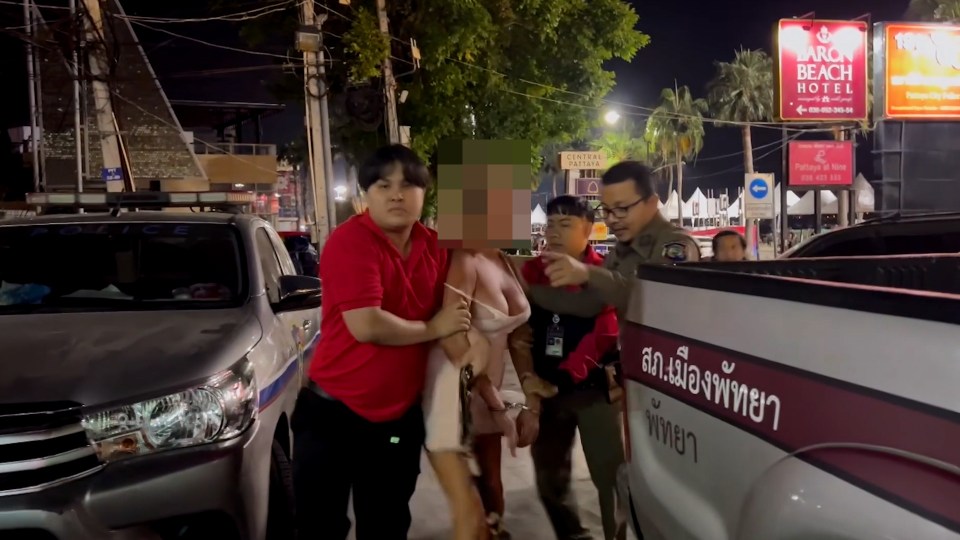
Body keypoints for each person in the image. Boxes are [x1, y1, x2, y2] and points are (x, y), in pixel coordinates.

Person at [292, 144, 471, 540]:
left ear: (425, 194)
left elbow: (471, 300)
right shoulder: (350, 241)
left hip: (395, 422)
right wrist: (434, 328)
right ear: (364, 196)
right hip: (332, 416)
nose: (396, 194)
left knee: (387, 526)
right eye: (382, 185)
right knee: (320, 528)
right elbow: (367, 325)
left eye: (408, 185)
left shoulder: (438, 247)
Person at [423, 247, 558, 539]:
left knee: (493, 490)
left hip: (488, 392)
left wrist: (529, 394)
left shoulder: (504, 259)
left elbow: (520, 336)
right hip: (457, 392)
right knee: (470, 508)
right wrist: (496, 406)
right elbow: (453, 339)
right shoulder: (463, 260)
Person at [521, 195, 626, 540]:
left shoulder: (603, 276)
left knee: (609, 478)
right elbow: (522, 332)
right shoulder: (532, 273)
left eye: (565, 224)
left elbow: (605, 334)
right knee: (550, 479)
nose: (554, 231)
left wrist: (564, 378)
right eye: (550, 224)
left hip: (593, 393)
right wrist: (530, 383)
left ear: (587, 230)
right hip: (548, 396)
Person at [524, 160, 701, 318]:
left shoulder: (676, 244)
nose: (611, 219)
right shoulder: (620, 250)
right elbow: (589, 304)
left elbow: (658, 300)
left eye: (622, 208)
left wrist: (588, 274)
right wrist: (524, 289)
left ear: (652, 203)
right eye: (606, 210)